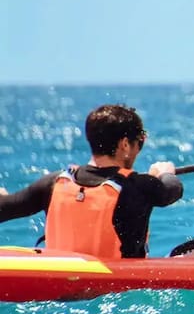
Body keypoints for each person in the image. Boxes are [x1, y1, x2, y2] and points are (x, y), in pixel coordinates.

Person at [0, 104, 182, 258]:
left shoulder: (54, 183)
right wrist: (165, 173)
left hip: (57, 281)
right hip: (115, 291)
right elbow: (173, 189)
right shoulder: (138, 186)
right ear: (125, 144)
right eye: (140, 141)